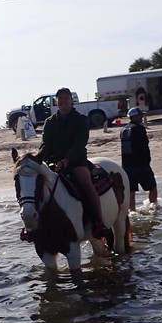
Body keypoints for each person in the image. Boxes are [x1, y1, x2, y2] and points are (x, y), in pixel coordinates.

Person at [42, 87, 107, 239]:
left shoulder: (81, 119)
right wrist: (41, 159)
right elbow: (45, 144)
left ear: (71, 101)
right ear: (56, 102)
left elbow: (80, 143)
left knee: (85, 182)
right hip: (54, 162)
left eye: (66, 98)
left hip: (76, 161)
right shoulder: (49, 122)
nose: (64, 102)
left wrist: (66, 160)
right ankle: (35, 227)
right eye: (61, 99)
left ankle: (99, 222)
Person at [120, 107, 158, 212]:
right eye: (140, 115)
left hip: (127, 166)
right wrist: (147, 161)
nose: (142, 117)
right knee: (152, 187)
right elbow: (144, 146)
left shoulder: (123, 130)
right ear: (134, 117)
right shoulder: (139, 128)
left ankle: (132, 211)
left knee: (131, 191)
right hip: (140, 164)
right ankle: (153, 208)